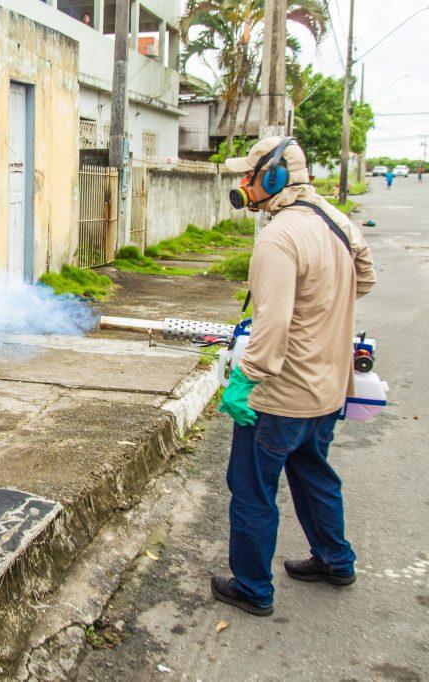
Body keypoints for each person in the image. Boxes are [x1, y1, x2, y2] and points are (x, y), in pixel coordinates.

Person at [215, 137, 376, 617]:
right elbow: (364, 279)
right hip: (328, 387)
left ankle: (252, 587)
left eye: (249, 175)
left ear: (273, 177)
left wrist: (245, 379)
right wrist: (324, 311)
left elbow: (273, 320)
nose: (243, 185)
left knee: (251, 487)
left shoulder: (279, 236)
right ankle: (335, 559)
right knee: (313, 473)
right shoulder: (338, 221)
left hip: (281, 395)